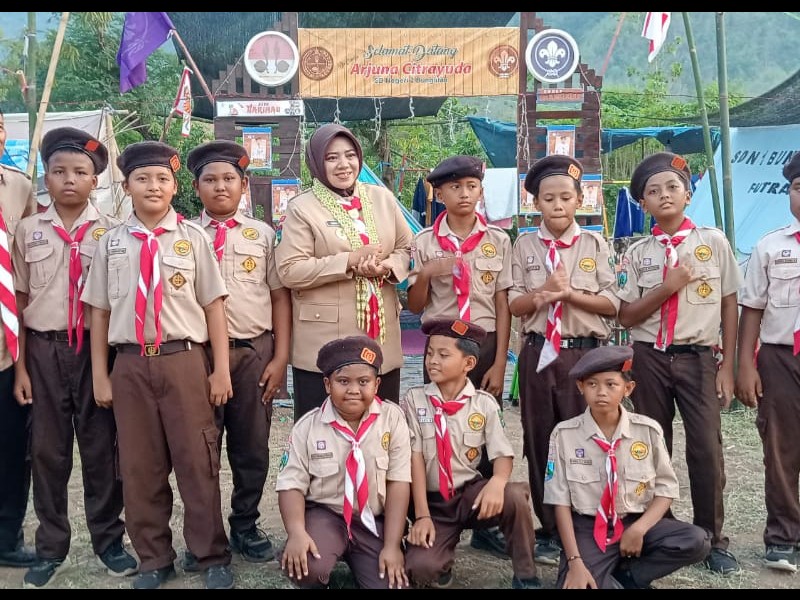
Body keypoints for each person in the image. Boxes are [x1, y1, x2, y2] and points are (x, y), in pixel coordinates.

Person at [81, 141, 235, 589]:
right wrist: (100, 375)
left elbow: (214, 307)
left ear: (174, 187)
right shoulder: (111, 243)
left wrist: (221, 369)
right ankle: (154, 557)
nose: (153, 186)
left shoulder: (193, 238)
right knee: (138, 465)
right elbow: (99, 312)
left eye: (162, 179)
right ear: (126, 186)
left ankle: (210, 555)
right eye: (142, 179)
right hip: (130, 365)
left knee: (197, 461)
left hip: (183, 360)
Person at [11, 127, 135, 588]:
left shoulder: (113, 232)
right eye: (59, 171)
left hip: (94, 351)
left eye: (80, 172)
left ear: (95, 181)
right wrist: (21, 368)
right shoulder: (28, 231)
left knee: (101, 448)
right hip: (43, 351)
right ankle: (51, 547)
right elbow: (18, 301)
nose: (69, 179)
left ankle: (108, 540)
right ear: (45, 177)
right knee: (47, 451)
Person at [616, 151, 743, 575]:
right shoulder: (636, 254)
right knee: (651, 446)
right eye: (653, 191)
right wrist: (668, 287)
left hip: (698, 357)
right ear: (643, 203)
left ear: (688, 195)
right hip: (648, 358)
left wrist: (727, 366)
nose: (664, 195)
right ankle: (661, 531)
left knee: (706, 447)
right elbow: (626, 316)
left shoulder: (713, 242)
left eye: (673, 187)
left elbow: (729, 303)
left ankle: (713, 538)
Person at [508, 155, 619, 565]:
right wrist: (542, 292)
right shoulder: (524, 245)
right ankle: (551, 528)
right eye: (548, 198)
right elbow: (515, 303)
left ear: (579, 200)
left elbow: (612, 303)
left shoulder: (594, 244)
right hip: (539, 353)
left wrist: (569, 294)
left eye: (565, 197)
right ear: (536, 202)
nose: (557, 205)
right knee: (540, 439)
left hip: (583, 354)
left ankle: (587, 522)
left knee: (584, 436)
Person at [186, 139, 291, 566]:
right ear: (196, 188)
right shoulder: (183, 236)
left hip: (252, 353)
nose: (220, 187)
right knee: (200, 449)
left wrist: (280, 358)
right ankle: (206, 532)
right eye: (210, 180)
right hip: (197, 357)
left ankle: (245, 524)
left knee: (252, 446)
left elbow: (280, 297)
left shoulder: (262, 235)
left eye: (229, 178)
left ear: (244, 185)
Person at [406, 155, 512, 557]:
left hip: (484, 344)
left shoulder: (498, 240)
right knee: (440, 427)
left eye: (471, 186)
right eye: (454, 187)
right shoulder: (424, 242)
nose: (464, 194)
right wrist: (428, 272)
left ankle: (486, 521)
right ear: (439, 193)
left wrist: (500, 362)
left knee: (484, 426)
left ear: (481, 190)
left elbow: (502, 304)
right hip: (442, 346)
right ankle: (439, 513)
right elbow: (415, 305)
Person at [274, 123, 412, 420]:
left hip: (380, 337)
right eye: (331, 157)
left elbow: (406, 248)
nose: (343, 164)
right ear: (316, 162)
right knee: (321, 430)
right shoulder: (302, 208)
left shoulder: (382, 198)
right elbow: (289, 270)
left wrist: (386, 267)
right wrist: (348, 261)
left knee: (381, 426)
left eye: (350, 155)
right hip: (323, 341)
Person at [544, 344, 711, 589]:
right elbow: (559, 501)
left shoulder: (647, 430)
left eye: (611, 384)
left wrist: (639, 529)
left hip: (635, 521)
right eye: (592, 384)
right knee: (578, 584)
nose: (601, 392)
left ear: (628, 388)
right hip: (589, 527)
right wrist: (575, 561)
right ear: (580, 387)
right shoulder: (564, 435)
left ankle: (630, 577)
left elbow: (666, 490)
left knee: (696, 540)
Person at [401, 318, 541, 589]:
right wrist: (422, 515)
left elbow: (502, 453)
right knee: (421, 570)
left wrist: (497, 482)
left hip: (469, 494)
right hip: (433, 504)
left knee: (513, 497)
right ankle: (440, 561)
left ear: (468, 363)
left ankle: (526, 575)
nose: (432, 361)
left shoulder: (483, 404)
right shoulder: (414, 400)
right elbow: (414, 459)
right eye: (430, 353)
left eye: (443, 355)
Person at [275, 335, 411, 589]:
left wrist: (392, 546)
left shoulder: (392, 420)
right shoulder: (308, 427)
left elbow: (399, 482)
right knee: (307, 568)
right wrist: (296, 533)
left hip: (373, 520)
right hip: (327, 516)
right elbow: (290, 484)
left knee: (392, 584)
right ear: (327, 384)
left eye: (363, 382)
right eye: (343, 381)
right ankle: (317, 558)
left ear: (377, 384)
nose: (353, 390)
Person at [736, 150, 800, 573]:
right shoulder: (770, 246)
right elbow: (753, 309)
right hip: (781, 360)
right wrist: (745, 364)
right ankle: (783, 536)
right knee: (780, 449)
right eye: (798, 187)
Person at [0, 108, 38, 570]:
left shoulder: (19, 188)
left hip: (5, 347)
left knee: (11, 446)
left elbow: (24, 264)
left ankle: (6, 536)